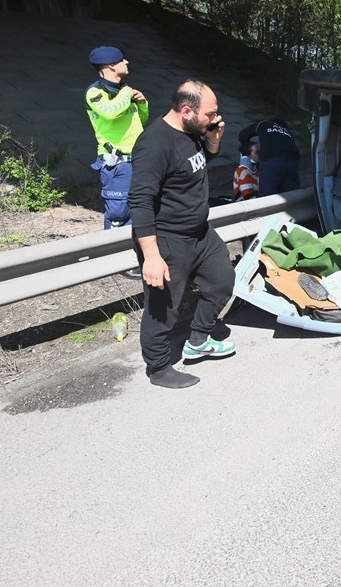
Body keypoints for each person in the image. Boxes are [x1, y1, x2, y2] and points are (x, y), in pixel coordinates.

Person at [128, 79, 237, 389]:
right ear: (186, 111)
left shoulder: (192, 134)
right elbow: (139, 200)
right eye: (211, 114)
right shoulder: (155, 144)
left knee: (221, 281)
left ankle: (199, 340)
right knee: (163, 309)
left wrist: (213, 141)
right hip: (168, 239)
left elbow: (195, 167)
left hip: (200, 233)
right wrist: (151, 256)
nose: (216, 119)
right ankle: (159, 368)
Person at [85, 45, 148, 279]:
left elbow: (139, 121)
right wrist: (128, 93)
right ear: (110, 66)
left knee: (137, 210)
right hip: (117, 164)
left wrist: (141, 103)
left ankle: (134, 258)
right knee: (118, 213)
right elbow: (110, 113)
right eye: (122, 60)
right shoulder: (95, 92)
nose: (127, 62)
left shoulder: (124, 91)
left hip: (136, 160)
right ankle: (117, 261)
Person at [254, 118, 301, 195]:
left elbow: (243, 134)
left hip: (272, 163)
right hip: (292, 162)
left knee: (268, 195)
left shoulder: (265, 126)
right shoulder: (288, 135)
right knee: (290, 192)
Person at [232, 128, 260, 201]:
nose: (260, 154)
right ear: (248, 155)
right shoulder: (242, 171)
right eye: (256, 152)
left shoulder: (257, 168)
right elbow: (248, 196)